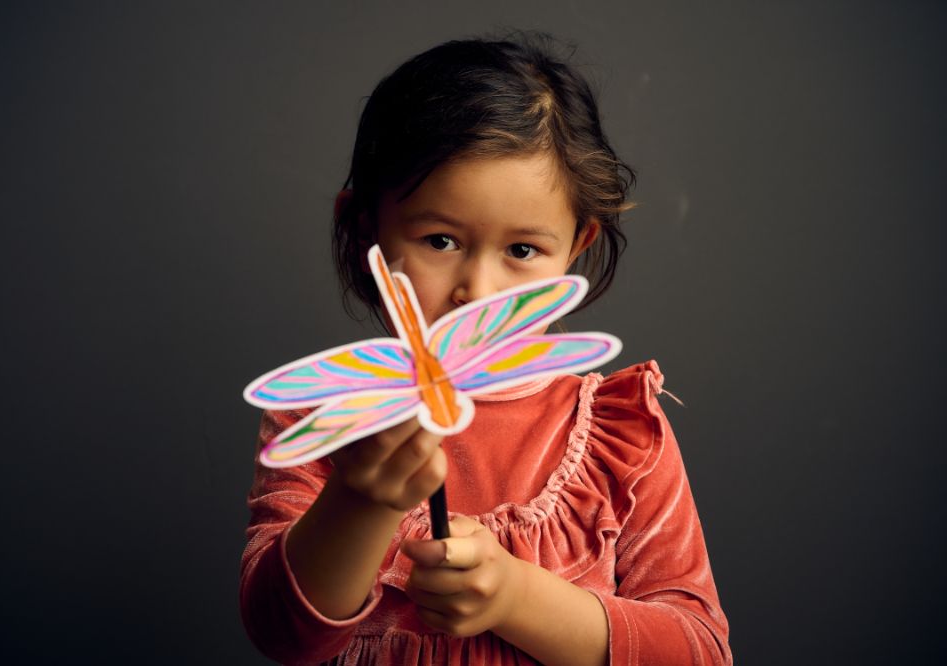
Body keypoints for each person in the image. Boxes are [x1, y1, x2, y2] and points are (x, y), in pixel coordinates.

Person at [240, 34, 731, 666]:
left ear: (577, 247)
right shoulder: (327, 417)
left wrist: (518, 598)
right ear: (365, 227)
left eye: (522, 251)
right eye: (440, 240)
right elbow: (284, 636)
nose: (478, 291)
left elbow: (700, 652)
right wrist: (361, 499)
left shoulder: (622, 434)